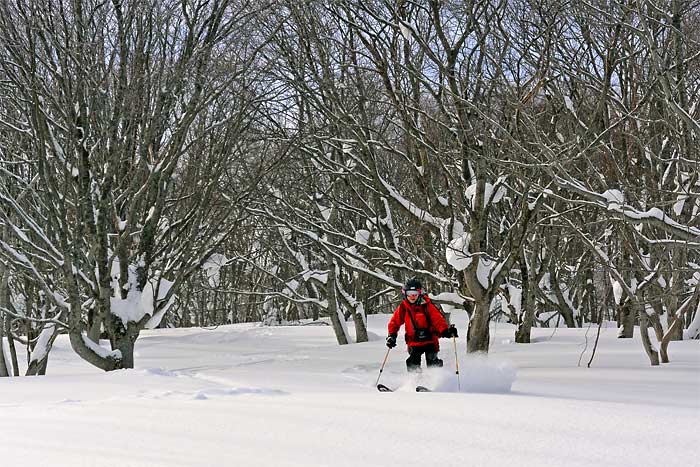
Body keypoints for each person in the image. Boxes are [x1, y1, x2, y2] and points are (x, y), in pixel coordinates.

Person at [386, 278, 458, 372]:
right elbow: (394, 322)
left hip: (430, 340)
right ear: (405, 294)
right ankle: (414, 380)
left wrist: (446, 331)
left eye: (415, 294)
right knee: (413, 361)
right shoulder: (404, 307)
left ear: (419, 293)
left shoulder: (427, 306)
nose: (412, 296)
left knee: (432, 360)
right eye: (409, 294)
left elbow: (438, 320)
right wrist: (392, 335)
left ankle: (436, 380)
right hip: (414, 341)